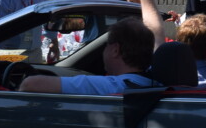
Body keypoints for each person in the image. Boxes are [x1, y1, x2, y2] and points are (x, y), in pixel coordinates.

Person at [18, 17, 155, 94]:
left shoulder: (111, 86)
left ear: (115, 50)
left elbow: (30, 84)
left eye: (106, 45)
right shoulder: (156, 83)